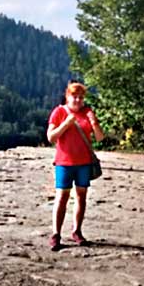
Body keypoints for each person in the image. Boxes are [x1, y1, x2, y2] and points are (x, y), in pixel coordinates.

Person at [46, 82, 104, 251]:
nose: (78, 100)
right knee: (62, 197)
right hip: (64, 162)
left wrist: (95, 123)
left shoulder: (88, 112)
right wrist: (65, 124)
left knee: (81, 197)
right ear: (67, 97)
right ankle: (56, 234)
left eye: (81, 97)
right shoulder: (59, 112)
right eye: (74, 96)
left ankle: (76, 231)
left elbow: (99, 138)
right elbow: (50, 137)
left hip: (83, 162)